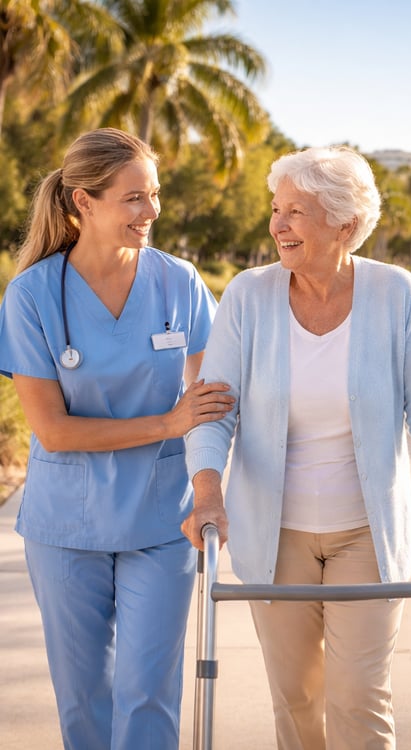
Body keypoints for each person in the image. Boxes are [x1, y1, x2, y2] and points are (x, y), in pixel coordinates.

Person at [181, 145, 411, 749]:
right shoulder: (248, 295)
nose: (278, 225)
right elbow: (213, 412)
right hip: (277, 533)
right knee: (296, 700)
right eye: (276, 209)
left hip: (365, 535)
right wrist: (207, 493)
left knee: (360, 700)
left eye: (296, 211)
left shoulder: (395, 294)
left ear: (345, 224)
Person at [0, 127, 234, 749]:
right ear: (83, 202)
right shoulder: (32, 296)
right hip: (66, 529)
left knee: (149, 693)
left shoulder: (179, 282)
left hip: (163, 523)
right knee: (83, 701)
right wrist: (167, 423)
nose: (151, 211)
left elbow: (213, 395)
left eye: (154, 195)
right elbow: (52, 429)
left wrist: (212, 479)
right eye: (134, 198)